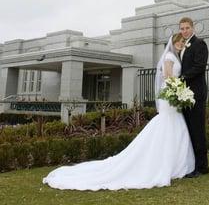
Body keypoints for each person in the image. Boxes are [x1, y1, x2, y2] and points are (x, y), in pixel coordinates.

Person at [43, 33, 195, 191]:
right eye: (178, 41)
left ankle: (173, 162)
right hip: (170, 93)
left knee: (173, 125)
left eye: (182, 41)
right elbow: (167, 75)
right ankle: (164, 163)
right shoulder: (170, 56)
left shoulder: (177, 55)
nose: (180, 43)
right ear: (173, 43)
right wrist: (178, 90)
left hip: (172, 93)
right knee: (168, 124)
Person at [179, 17, 209, 178]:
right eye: (182, 29)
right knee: (189, 130)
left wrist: (182, 77)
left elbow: (199, 66)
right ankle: (192, 164)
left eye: (187, 28)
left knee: (198, 130)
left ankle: (202, 167)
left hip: (196, 94)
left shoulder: (199, 44)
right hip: (184, 95)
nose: (184, 31)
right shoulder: (182, 46)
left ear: (193, 28)